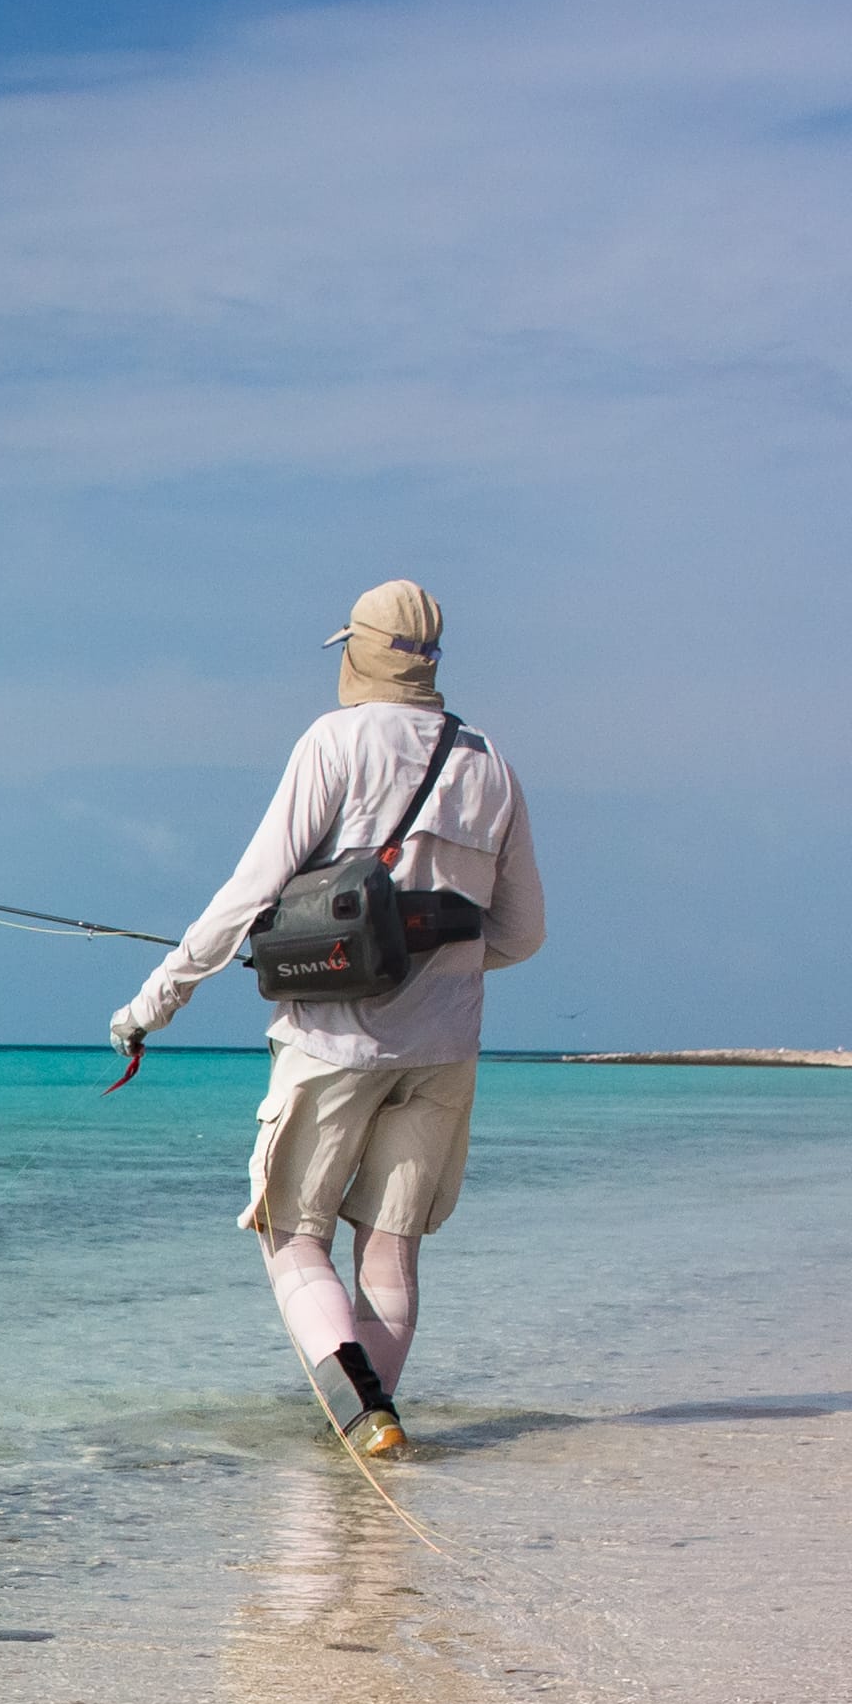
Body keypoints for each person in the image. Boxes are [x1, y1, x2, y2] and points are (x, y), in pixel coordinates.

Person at [107, 580, 543, 1459]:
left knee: (289, 1231)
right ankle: (364, 1433)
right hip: (446, 1044)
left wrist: (151, 1003)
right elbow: (520, 934)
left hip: (333, 1039)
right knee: (389, 1251)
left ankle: (358, 1414)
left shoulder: (333, 740)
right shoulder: (489, 762)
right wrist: (431, 966)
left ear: (358, 650)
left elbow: (250, 893)